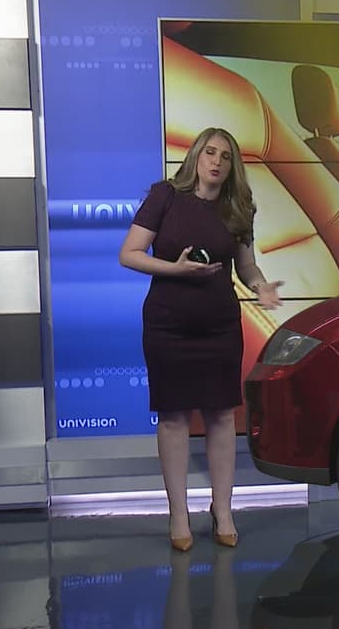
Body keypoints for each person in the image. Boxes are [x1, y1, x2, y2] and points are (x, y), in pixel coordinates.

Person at [119, 127, 283, 551]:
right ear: (196, 156)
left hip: (219, 326)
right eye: (210, 152)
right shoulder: (165, 196)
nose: (216, 161)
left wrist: (260, 286)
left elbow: (246, 266)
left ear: (232, 166)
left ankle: (222, 510)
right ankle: (178, 513)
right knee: (174, 417)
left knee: (221, 416)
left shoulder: (239, 206)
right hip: (168, 324)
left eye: (225, 156)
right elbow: (129, 254)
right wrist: (174, 269)